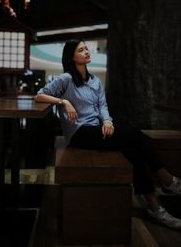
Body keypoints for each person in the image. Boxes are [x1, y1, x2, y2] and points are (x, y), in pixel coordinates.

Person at [35, 38, 181, 230]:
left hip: (97, 129)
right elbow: (39, 95)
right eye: (81, 50)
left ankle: (155, 208)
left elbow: (102, 106)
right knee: (134, 134)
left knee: (134, 153)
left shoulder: (94, 81)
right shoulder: (66, 79)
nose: (87, 51)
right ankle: (167, 179)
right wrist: (63, 102)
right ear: (71, 57)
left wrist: (107, 121)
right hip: (78, 133)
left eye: (87, 48)